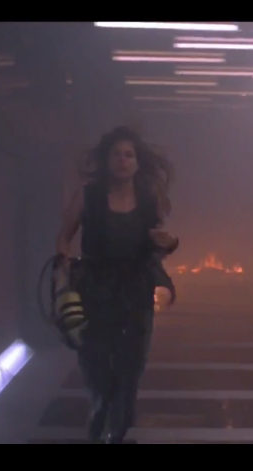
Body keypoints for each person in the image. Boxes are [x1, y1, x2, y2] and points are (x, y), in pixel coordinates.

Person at [55, 126, 179, 444]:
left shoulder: (148, 198)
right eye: (117, 154)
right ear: (106, 159)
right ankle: (100, 404)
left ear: (137, 162)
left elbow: (157, 244)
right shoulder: (89, 195)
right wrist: (62, 268)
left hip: (135, 290)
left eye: (129, 155)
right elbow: (64, 237)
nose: (123, 160)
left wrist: (169, 243)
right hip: (95, 288)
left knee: (131, 363)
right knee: (95, 359)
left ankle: (118, 428)